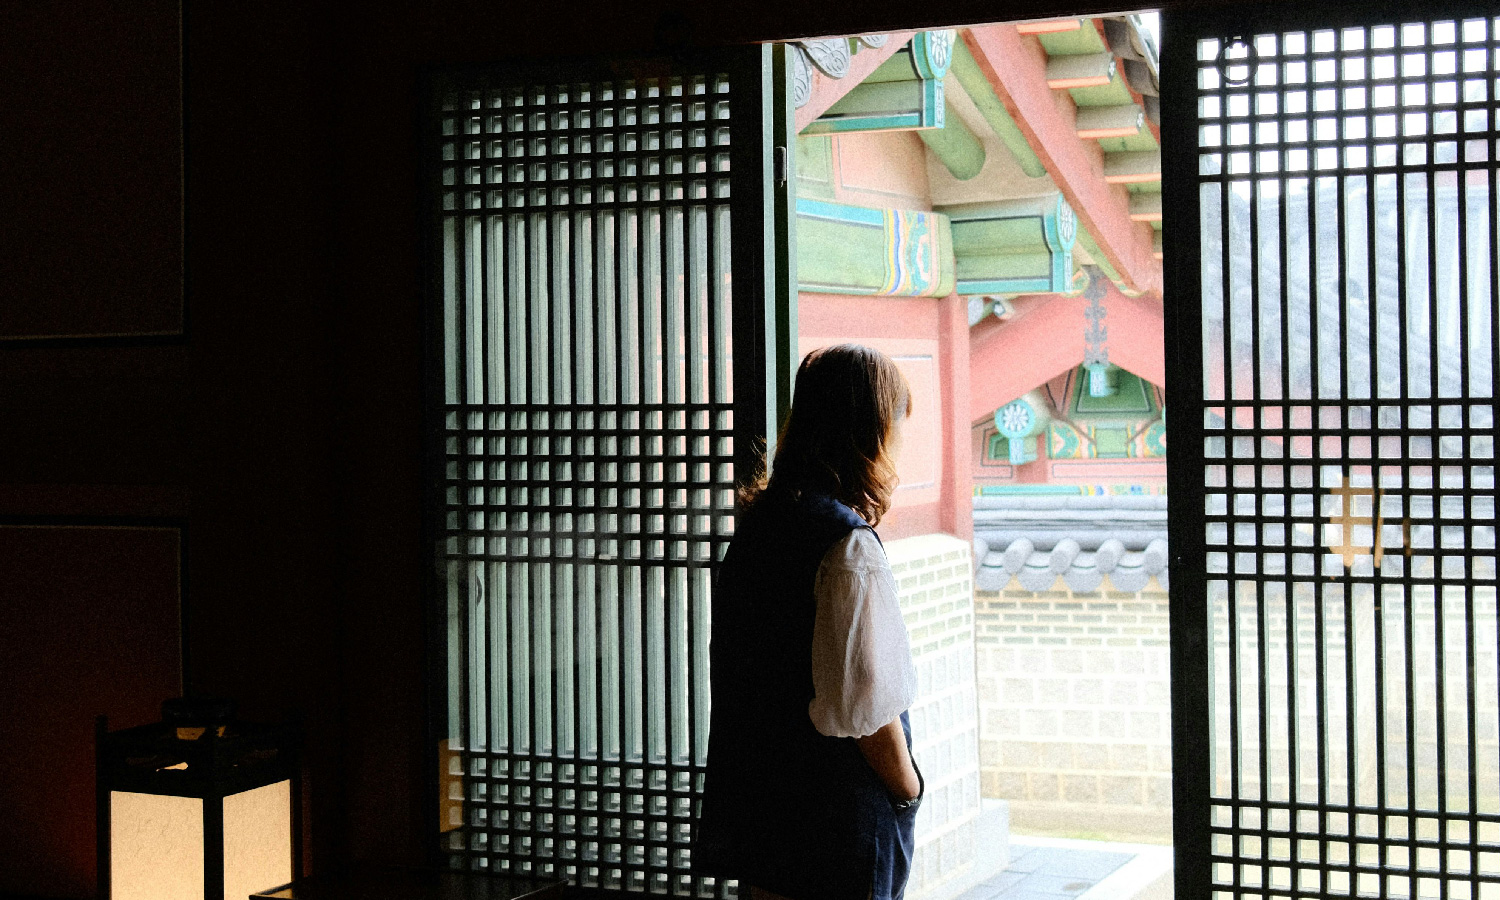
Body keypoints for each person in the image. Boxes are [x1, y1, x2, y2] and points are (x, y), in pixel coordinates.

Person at [693, 344, 923, 900]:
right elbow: (865, 709)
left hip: (767, 816)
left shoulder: (760, 526)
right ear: (868, 432)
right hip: (835, 826)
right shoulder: (845, 545)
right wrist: (908, 788)